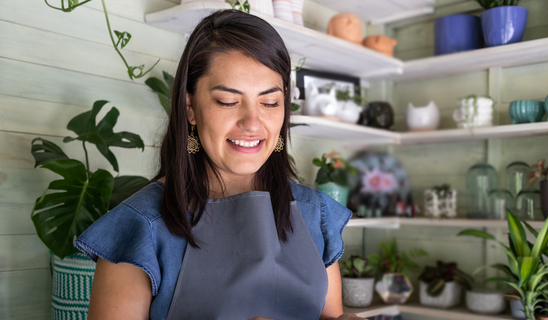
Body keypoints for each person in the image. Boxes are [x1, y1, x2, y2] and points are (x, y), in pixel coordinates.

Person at [74, 9, 364, 320]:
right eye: (227, 101)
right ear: (190, 108)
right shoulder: (141, 227)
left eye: (269, 102)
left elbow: (327, 316)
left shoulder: (315, 212)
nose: (253, 123)